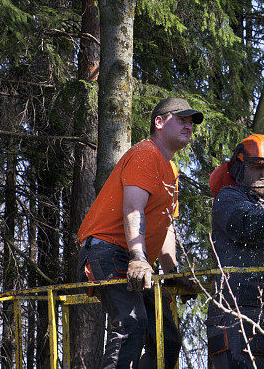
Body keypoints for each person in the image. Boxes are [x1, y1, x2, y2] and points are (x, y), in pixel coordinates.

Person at [77, 97, 203, 369]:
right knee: (131, 325)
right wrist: (138, 257)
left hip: (135, 258)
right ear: (159, 122)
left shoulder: (171, 169)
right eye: (181, 120)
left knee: (166, 339)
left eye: (191, 123)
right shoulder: (146, 153)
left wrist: (172, 273)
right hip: (107, 250)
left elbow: (166, 223)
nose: (188, 126)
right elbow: (133, 210)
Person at [207, 134, 264, 369]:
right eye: (257, 167)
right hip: (236, 310)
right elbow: (248, 225)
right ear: (240, 167)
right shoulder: (229, 198)